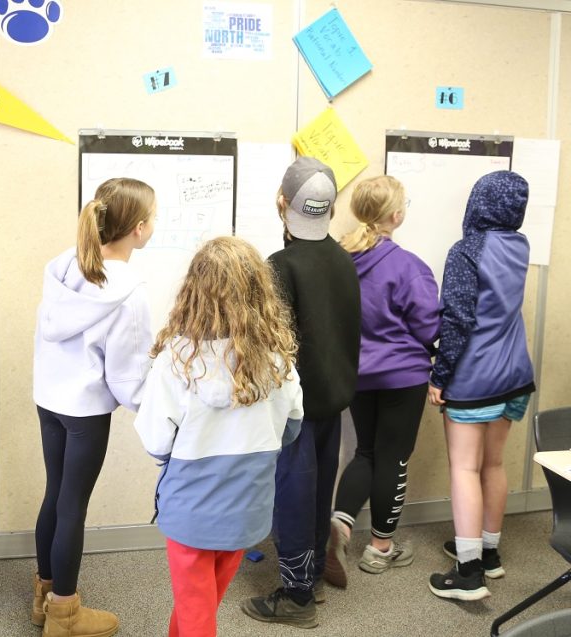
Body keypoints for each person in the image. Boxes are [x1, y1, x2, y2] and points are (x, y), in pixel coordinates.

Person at [135, 236, 304, 637]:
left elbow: (156, 441)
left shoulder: (176, 361)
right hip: (247, 510)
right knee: (202, 603)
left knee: (197, 612)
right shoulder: (278, 362)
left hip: (191, 512)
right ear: (259, 292)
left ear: (193, 293)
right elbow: (292, 427)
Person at [32, 177, 156, 637]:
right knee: (73, 506)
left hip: (49, 399)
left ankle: (43, 595)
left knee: (56, 494)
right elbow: (127, 379)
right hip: (85, 412)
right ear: (139, 229)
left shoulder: (65, 266)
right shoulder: (129, 292)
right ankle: (64, 613)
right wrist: (159, 405)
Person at [242, 157, 360, 629]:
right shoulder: (344, 260)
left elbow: (272, 345)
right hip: (333, 400)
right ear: (329, 210)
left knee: (293, 491)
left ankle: (295, 597)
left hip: (296, 408)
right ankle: (308, 579)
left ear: (282, 204)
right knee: (316, 492)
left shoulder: (279, 265)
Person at [323, 176, 440, 589]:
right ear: (396, 214)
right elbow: (428, 327)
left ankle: (339, 526)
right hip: (403, 376)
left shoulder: (338, 261)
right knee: (394, 457)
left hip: (357, 374)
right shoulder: (408, 266)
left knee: (366, 452)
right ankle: (380, 550)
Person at [427, 170, 535, 601]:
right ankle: (488, 552)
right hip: (515, 375)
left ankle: (468, 573)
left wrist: (439, 377)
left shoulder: (467, 250)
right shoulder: (520, 245)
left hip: (475, 378)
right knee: (494, 464)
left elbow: (456, 319)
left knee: (464, 468)